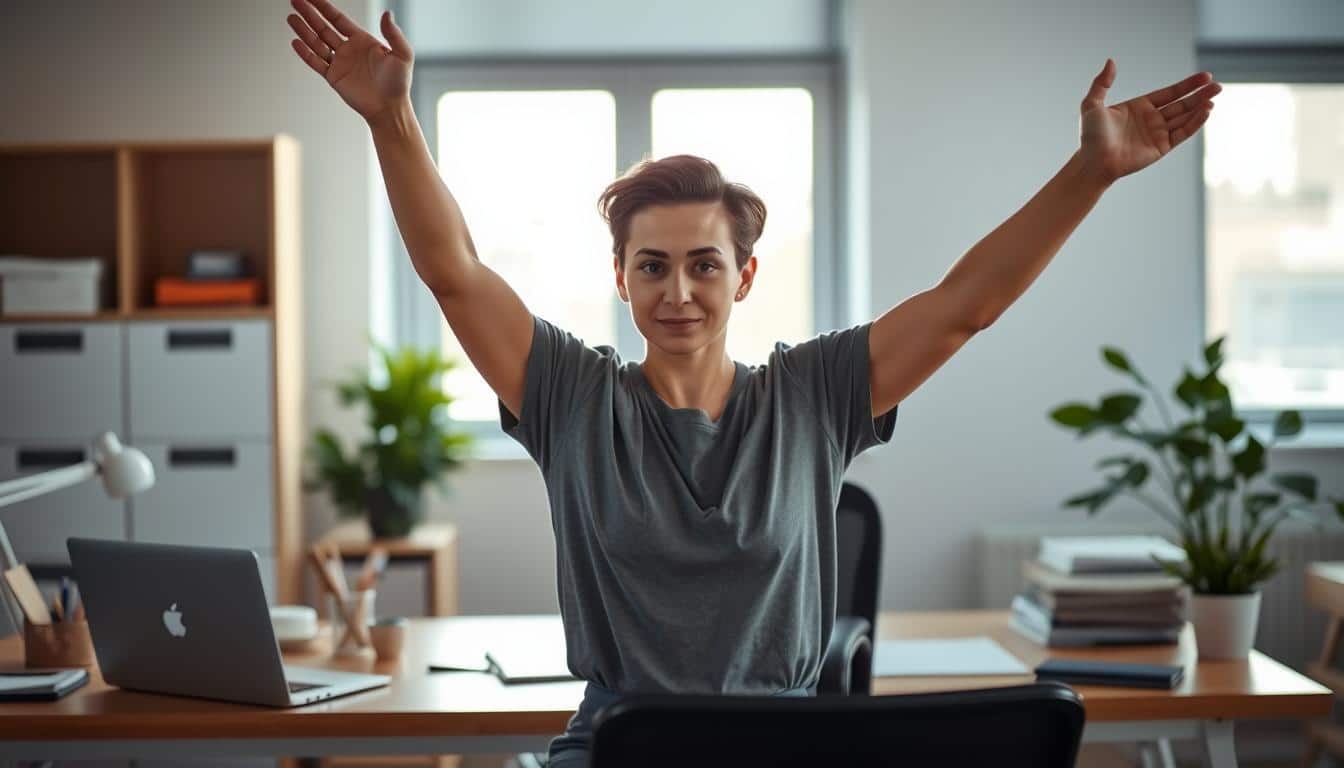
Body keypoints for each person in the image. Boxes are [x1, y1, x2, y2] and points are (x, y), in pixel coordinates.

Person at [285, 2, 1220, 764]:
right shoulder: (573, 396)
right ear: (621, 278)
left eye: (704, 264)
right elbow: (455, 270)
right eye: (651, 266)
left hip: (790, 743)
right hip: (622, 742)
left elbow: (963, 305)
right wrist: (391, 118)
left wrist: (1091, 172)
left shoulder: (814, 395)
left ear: (745, 276)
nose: (678, 292)